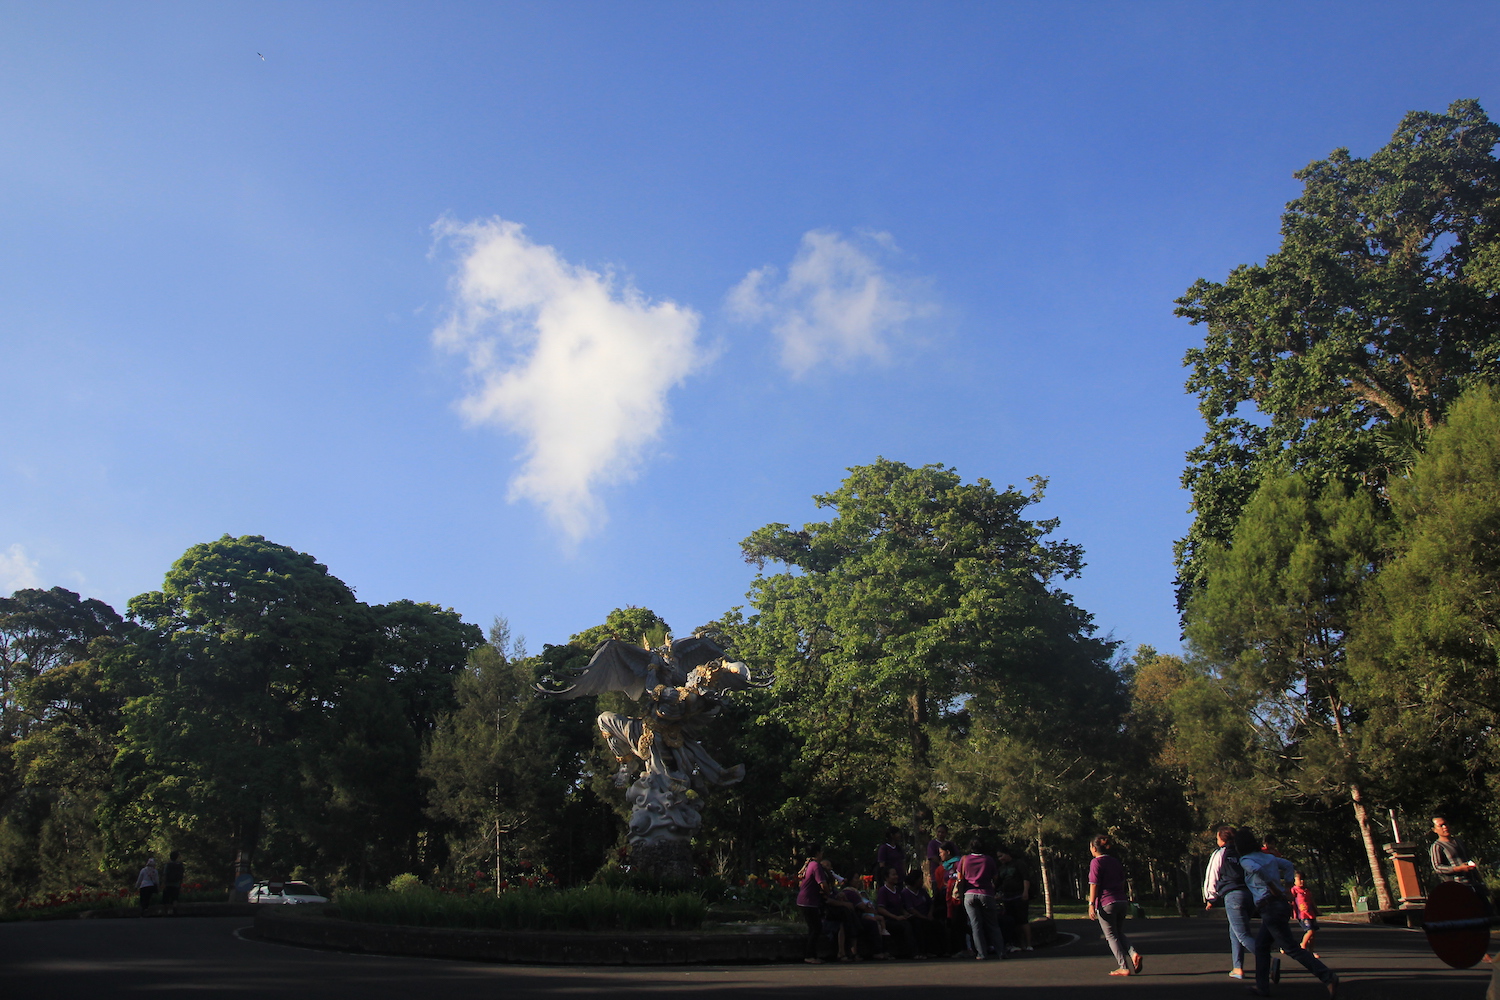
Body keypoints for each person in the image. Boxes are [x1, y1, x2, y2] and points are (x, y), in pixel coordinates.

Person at [1236, 827, 1338, 998]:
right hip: (1280, 905)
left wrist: (1273, 887)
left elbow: (1256, 870)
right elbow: (1289, 865)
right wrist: (1289, 886)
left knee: (1291, 948)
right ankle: (1262, 987)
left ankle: (1328, 976)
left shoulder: (1245, 860)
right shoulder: (1268, 857)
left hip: (1270, 906)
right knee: (1261, 946)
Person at [1202, 823, 1256, 980]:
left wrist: (1210, 898)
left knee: (1243, 934)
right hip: (1250, 895)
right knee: (1235, 932)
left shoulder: (1220, 853)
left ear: (1222, 839)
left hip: (1233, 895)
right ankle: (1237, 967)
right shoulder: (1244, 853)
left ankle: (1269, 959)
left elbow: (1212, 875)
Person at [1087, 834, 1141, 977]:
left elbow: (1094, 885)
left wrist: (1091, 904)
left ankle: (1123, 966)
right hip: (1121, 901)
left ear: (1093, 848)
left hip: (1106, 902)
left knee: (1110, 935)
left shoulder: (1096, 863)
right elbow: (1122, 881)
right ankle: (1133, 953)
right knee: (1118, 932)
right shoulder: (1115, 861)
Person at [958, 839, 1006, 959]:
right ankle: (1001, 952)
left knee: (976, 925)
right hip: (986, 894)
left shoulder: (965, 859)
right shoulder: (988, 860)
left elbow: (959, 877)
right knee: (993, 925)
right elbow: (995, 877)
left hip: (969, 894)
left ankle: (981, 953)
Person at [796, 845, 834, 963]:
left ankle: (811, 954)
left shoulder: (809, 864)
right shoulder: (816, 866)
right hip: (809, 901)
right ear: (818, 853)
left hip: (805, 900)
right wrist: (829, 893)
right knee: (816, 928)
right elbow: (822, 883)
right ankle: (810, 955)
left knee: (813, 928)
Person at [875, 868, 922, 958]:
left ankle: (922, 950)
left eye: (896, 874)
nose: (896, 877)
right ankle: (913, 953)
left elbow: (901, 907)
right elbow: (880, 909)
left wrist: (905, 914)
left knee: (916, 922)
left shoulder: (898, 890)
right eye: (893, 875)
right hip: (889, 920)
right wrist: (895, 917)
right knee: (905, 926)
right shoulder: (883, 891)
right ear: (886, 877)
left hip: (900, 917)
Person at [995, 845, 1034, 952]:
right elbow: (998, 883)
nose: (1000, 859)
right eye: (998, 857)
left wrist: (1025, 891)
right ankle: (1019, 944)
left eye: (1001, 856)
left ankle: (1029, 944)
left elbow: (1025, 878)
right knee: (1012, 921)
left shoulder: (1018, 864)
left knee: (1023, 919)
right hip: (1007, 897)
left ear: (1007, 854)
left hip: (1019, 895)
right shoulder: (1001, 869)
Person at [1290, 871, 1319, 957]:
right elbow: (1291, 901)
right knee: (1310, 931)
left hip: (1311, 914)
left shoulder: (1307, 891)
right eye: (1300, 879)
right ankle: (1303, 945)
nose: (1302, 881)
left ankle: (1310, 951)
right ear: (1295, 881)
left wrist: (1316, 910)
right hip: (1302, 915)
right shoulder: (1294, 890)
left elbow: (1312, 901)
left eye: (1303, 879)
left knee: (1313, 934)